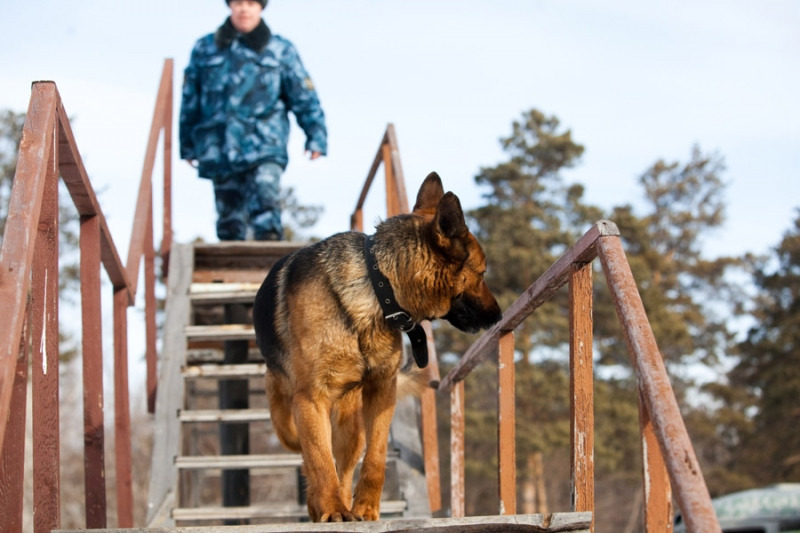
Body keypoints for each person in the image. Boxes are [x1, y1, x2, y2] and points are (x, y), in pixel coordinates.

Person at [179, 0, 327, 241]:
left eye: (250, 3)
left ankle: (270, 272)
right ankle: (228, 275)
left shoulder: (280, 49)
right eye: (238, 3)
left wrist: (316, 135)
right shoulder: (206, 48)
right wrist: (187, 144)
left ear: (260, 7)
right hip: (219, 146)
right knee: (228, 221)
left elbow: (304, 96)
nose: (244, 9)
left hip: (264, 144)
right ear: (230, 6)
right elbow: (190, 99)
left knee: (266, 209)